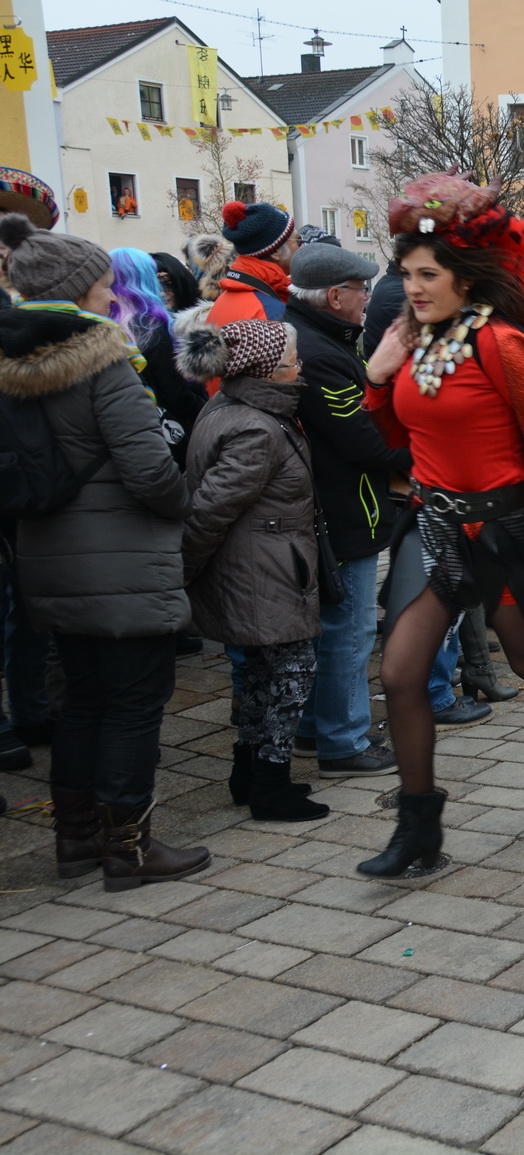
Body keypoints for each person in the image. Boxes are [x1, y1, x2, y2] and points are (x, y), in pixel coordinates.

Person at [358, 172, 524, 877]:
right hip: (436, 530)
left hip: (505, 533)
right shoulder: (410, 342)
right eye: (406, 273)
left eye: (428, 274)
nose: (413, 287)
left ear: (466, 278)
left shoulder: (504, 344)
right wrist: (379, 377)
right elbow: (394, 434)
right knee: (399, 670)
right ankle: (419, 828)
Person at [0, 214, 209, 889]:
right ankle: (130, 849)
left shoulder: (10, 360)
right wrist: (183, 504)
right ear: (85, 284)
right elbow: (148, 467)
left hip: (45, 553)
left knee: (83, 698)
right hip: (119, 556)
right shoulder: (100, 354)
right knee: (134, 698)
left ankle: (76, 841)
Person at [174, 317, 330, 822]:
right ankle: (269, 784)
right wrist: (183, 573)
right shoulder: (255, 426)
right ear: (265, 372)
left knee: (266, 673)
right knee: (291, 674)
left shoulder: (234, 408)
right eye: (292, 363)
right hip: (264, 571)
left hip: (264, 565)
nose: (300, 368)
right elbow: (210, 510)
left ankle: (250, 773)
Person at [282, 242, 418, 775]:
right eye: (361, 289)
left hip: (336, 506)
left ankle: (317, 729)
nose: (367, 298)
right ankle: (345, 741)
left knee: (335, 624)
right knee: (350, 627)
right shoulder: (318, 352)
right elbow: (360, 439)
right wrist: (426, 450)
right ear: (335, 295)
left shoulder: (319, 337)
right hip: (343, 510)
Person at [107, 247, 204, 467]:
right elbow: (175, 392)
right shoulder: (150, 325)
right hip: (167, 430)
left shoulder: (106, 322)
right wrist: (203, 408)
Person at [205, 202, 300, 347]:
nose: (303, 247)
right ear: (276, 252)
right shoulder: (270, 311)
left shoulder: (224, 300)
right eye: (298, 240)